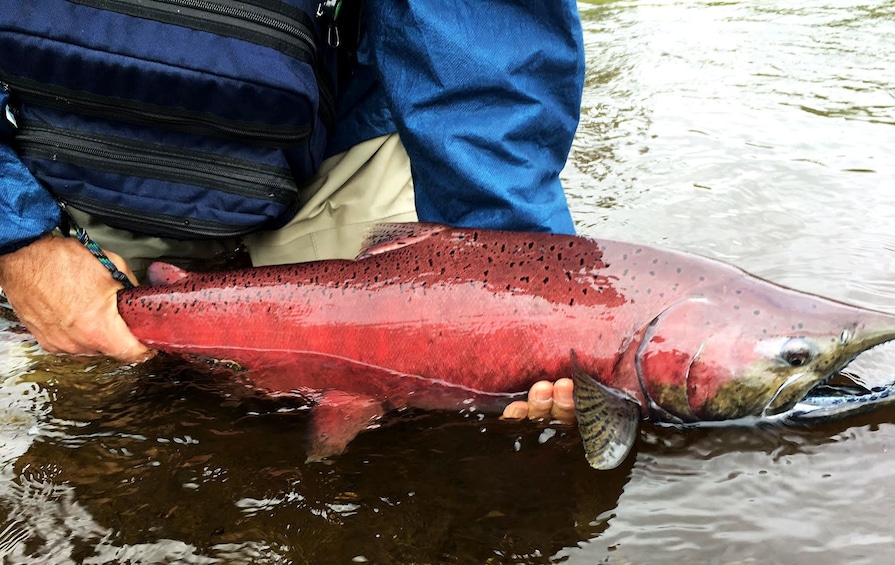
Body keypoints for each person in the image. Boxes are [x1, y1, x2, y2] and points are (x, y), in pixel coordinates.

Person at [0, 1, 577, 421]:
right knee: (91, 410)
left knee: (427, 407)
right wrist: (19, 241)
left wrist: (518, 300)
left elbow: (483, 51)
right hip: (78, 163)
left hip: (332, 136)